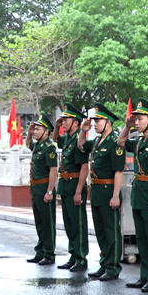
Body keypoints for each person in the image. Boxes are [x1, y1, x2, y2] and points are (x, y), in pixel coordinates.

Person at [118, 99, 148, 293]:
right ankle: (144, 275)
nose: (137, 122)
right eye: (136, 119)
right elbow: (120, 142)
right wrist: (127, 126)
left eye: (140, 119)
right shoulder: (139, 141)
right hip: (139, 194)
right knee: (142, 238)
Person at [78, 104, 126, 281]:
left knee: (111, 230)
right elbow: (81, 146)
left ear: (109, 123)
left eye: (99, 121)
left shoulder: (115, 142)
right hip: (97, 191)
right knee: (100, 231)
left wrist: (115, 195)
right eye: (95, 120)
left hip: (108, 190)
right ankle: (105, 263)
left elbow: (119, 171)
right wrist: (83, 131)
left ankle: (113, 267)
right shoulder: (97, 141)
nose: (95, 124)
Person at [55, 103, 90, 273]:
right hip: (66, 186)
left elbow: (84, 167)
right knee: (69, 224)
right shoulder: (68, 138)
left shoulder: (78, 139)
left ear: (76, 122)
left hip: (75, 186)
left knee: (78, 225)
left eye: (66, 120)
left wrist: (78, 191)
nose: (63, 122)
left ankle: (81, 257)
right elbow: (56, 139)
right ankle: (74, 255)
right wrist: (56, 126)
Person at [25, 116, 58, 265]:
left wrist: (49, 191)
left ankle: (49, 253)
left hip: (44, 187)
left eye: (38, 129)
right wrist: (29, 132)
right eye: (35, 129)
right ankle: (40, 252)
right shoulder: (38, 145)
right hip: (35, 188)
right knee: (39, 222)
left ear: (46, 131)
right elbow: (28, 144)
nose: (35, 132)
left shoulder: (49, 147)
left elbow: (53, 170)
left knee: (47, 223)